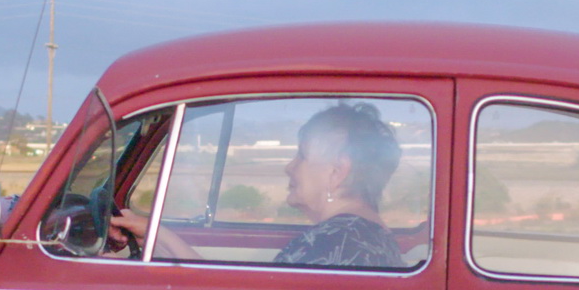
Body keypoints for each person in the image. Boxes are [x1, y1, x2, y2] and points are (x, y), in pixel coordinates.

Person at [110, 101, 406, 268]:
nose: (289, 166)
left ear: (337, 172)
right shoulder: (354, 236)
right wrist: (154, 233)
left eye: (302, 156)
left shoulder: (333, 244)